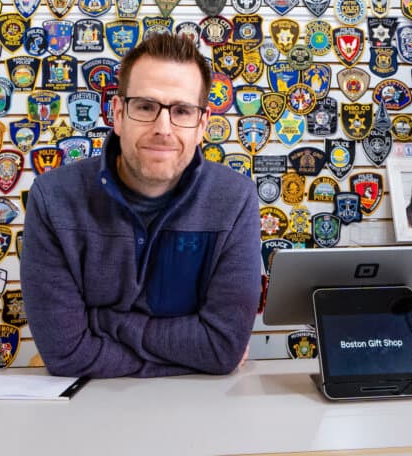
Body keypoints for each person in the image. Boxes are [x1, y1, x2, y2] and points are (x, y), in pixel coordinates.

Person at [22, 33, 261, 377]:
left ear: (202, 125)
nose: (163, 128)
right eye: (146, 107)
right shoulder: (53, 199)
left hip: (201, 413)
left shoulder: (234, 200)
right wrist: (190, 357)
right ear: (118, 114)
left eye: (181, 111)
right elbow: (66, 354)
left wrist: (107, 323)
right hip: (86, 413)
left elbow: (221, 347)